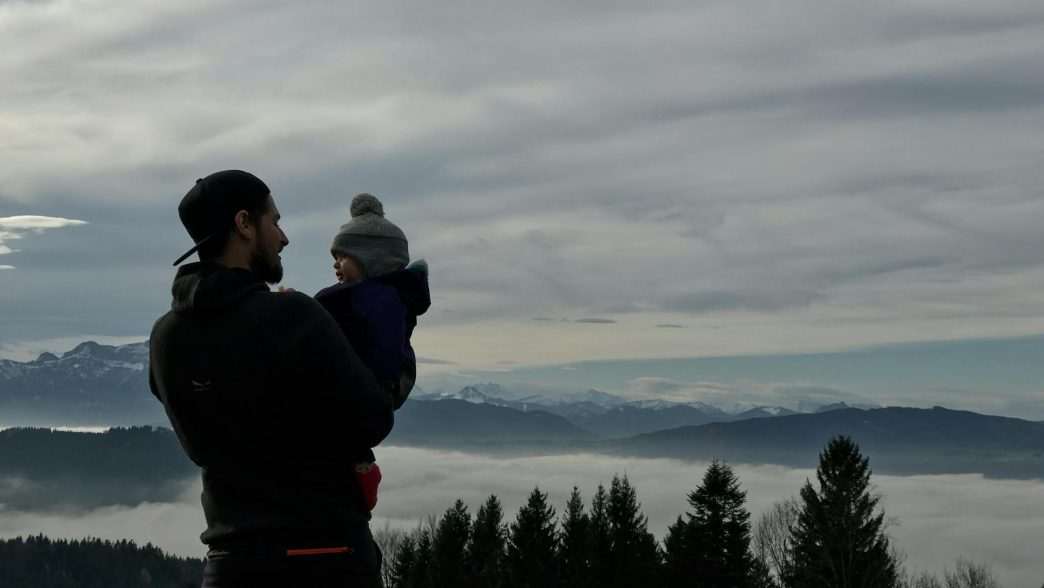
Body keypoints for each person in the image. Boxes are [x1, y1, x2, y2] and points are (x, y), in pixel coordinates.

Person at [149, 170, 393, 588]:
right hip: (327, 558)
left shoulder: (165, 338)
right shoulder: (292, 317)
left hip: (230, 564)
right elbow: (375, 418)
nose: (283, 237)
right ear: (243, 224)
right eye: (274, 221)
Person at [314, 193, 431, 512]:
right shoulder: (387, 300)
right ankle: (362, 472)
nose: (335, 265)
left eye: (342, 257)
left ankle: (360, 473)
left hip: (361, 394)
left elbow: (377, 359)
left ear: (370, 259)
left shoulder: (375, 302)